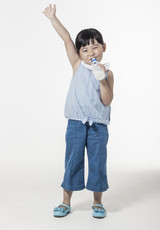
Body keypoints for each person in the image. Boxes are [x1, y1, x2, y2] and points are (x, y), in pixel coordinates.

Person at [42, 3, 114, 218]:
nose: (90, 52)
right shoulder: (76, 65)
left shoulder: (108, 73)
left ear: (103, 47)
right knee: (72, 160)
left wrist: (101, 80)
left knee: (97, 162)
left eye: (95, 47)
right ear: (79, 53)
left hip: (98, 126)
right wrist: (53, 18)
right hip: (75, 123)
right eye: (84, 49)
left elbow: (107, 100)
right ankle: (66, 201)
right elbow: (66, 38)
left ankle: (98, 202)